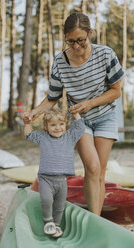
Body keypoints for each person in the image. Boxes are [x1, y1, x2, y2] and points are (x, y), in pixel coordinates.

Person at [23, 12, 124, 216]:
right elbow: (52, 97)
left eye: (81, 40)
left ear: (90, 34)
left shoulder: (105, 54)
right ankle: (94, 221)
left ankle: (95, 218)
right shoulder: (60, 61)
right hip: (79, 120)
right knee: (92, 167)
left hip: (106, 115)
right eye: (71, 41)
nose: (76, 46)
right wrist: (34, 112)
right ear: (65, 38)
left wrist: (90, 103)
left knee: (100, 172)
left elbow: (116, 91)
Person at [23, 108, 85, 238]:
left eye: (61, 124)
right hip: (45, 178)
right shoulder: (42, 137)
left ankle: (56, 225)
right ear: (46, 127)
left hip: (62, 180)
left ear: (65, 124)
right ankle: (48, 222)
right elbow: (29, 134)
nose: (58, 128)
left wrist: (75, 114)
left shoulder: (70, 136)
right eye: (53, 125)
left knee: (59, 205)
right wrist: (27, 123)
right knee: (46, 199)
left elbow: (80, 128)